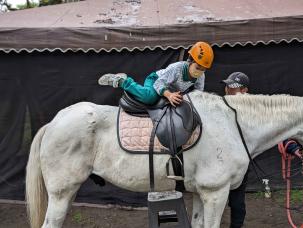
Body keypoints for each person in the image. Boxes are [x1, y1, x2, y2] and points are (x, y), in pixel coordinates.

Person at [98, 41, 214, 106]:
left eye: (203, 69)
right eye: (198, 67)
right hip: (157, 80)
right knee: (149, 98)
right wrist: (169, 95)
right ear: (190, 60)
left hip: (171, 89)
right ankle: (122, 81)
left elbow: (198, 93)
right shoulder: (176, 68)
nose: (200, 71)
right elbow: (159, 84)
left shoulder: (200, 76)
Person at [222, 71, 250, 228]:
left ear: (244, 90)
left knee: (237, 201)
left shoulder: (252, 108)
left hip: (240, 161)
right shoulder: (223, 104)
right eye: (227, 86)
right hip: (221, 159)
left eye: (232, 87)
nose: (227, 89)